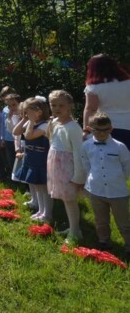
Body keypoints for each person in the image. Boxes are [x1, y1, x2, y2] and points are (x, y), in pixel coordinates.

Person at [81, 112, 130, 260]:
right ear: (90, 129)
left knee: (123, 221)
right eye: (97, 130)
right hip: (96, 190)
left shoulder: (120, 147)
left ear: (111, 129)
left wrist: (117, 178)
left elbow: (127, 166)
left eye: (105, 130)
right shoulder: (86, 146)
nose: (101, 133)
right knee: (100, 219)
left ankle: (128, 245)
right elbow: (86, 164)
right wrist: (93, 178)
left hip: (117, 191)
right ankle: (104, 242)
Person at [47, 90, 86, 244]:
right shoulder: (56, 123)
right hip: (57, 167)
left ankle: (76, 231)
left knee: (70, 200)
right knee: (65, 199)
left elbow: (78, 153)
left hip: (68, 168)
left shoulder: (73, 127)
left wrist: (78, 176)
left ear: (70, 106)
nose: (57, 108)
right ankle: (72, 227)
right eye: (53, 105)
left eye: (61, 105)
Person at [13, 97, 52, 222]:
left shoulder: (45, 125)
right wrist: (25, 119)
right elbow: (16, 131)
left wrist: (30, 121)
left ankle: (48, 214)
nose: (25, 114)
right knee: (37, 187)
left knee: (44, 188)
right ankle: (40, 210)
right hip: (32, 158)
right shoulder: (30, 122)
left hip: (42, 160)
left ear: (38, 112)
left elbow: (29, 135)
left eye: (27, 112)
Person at [83, 54, 130, 151]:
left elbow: (91, 109)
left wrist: (86, 130)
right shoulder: (128, 82)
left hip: (105, 128)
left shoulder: (94, 86)